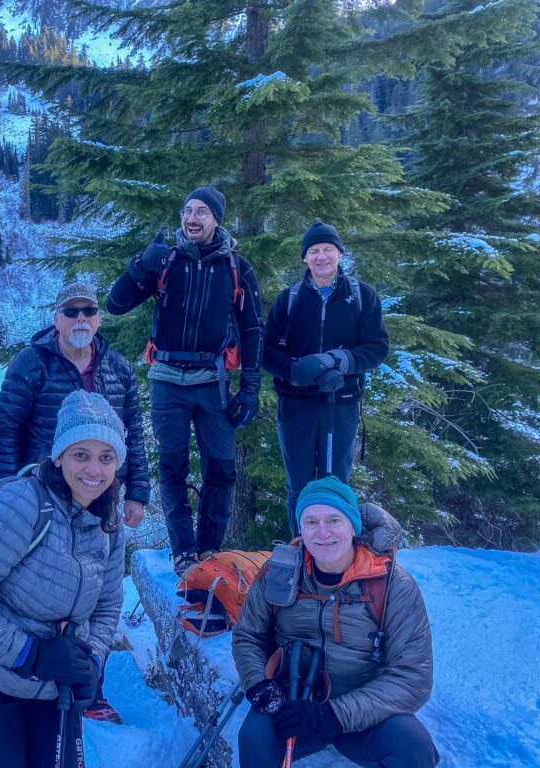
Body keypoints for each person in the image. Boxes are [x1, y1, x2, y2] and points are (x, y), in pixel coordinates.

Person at [0, 390, 126, 768]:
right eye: (81, 455)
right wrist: (31, 653)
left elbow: (108, 603)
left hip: (54, 685)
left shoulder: (108, 520)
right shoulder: (22, 504)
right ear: (58, 456)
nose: (94, 471)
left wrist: (91, 660)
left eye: (106, 457)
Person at [0, 279, 148, 724]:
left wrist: (137, 491)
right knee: (46, 587)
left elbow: (132, 434)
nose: (80, 319)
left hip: (103, 497)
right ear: (56, 319)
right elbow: (5, 430)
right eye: (71, 311)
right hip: (43, 498)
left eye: (88, 311)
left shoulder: (117, 367)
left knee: (98, 591)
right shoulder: (31, 364)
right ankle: (27, 674)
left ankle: (89, 684)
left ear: (98, 318)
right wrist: (6, 491)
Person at [107, 186, 263, 575]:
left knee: (222, 468)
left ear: (216, 220)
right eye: (187, 211)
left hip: (213, 381)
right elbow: (116, 304)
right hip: (167, 382)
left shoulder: (237, 268)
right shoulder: (165, 262)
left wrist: (251, 387)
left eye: (201, 213)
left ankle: (209, 550)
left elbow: (252, 330)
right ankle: (183, 552)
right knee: (173, 468)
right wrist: (139, 264)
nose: (191, 219)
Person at [231, 477, 438, 768]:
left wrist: (333, 716)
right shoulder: (278, 574)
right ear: (300, 528)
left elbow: (412, 677)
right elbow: (248, 637)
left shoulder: (393, 585)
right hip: (293, 699)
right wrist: (260, 686)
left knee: (412, 746)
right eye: (311, 522)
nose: (323, 532)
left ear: (352, 526)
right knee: (255, 735)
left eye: (334, 520)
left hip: (367, 710)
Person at [262, 220, 389, 533]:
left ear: (340, 254)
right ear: (305, 258)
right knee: (299, 486)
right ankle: (301, 556)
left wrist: (340, 363)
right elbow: (264, 351)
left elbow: (377, 347)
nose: (321, 256)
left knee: (335, 483)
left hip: (340, 404)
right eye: (314, 250)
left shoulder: (362, 296)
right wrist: (294, 371)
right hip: (296, 406)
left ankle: (336, 556)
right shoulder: (289, 299)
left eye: (328, 249)